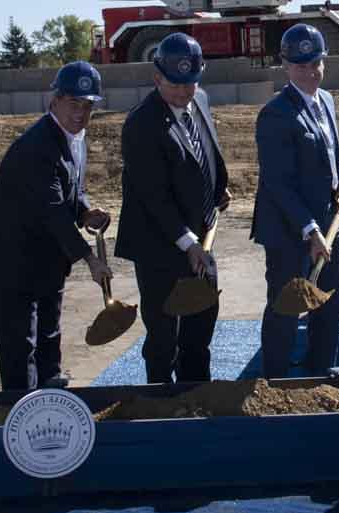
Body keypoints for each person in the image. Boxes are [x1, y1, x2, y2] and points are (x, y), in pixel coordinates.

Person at [0, 61, 114, 390]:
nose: (81, 113)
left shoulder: (73, 137)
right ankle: (22, 416)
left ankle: (53, 396)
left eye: (88, 105)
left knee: (49, 334)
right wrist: (90, 259)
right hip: (11, 257)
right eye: (73, 104)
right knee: (20, 348)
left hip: (46, 255)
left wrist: (85, 211)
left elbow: (68, 191)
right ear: (55, 101)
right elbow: (51, 209)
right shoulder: (37, 146)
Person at [117, 33, 232, 383]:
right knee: (164, 337)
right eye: (175, 84)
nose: (184, 92)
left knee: (199, 331)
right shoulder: (142, 124)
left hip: (201, 242)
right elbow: (153, 196)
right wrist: (188, 243)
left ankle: (196, 395)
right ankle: (160, 403)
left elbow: (206, 153)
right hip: (159, 247)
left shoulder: (201, 101)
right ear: (156, 78)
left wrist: (218, 189)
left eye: (190, 83)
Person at [252, 24, 339, 379]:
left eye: (316, 64)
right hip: (290, 231)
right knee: (286, 308)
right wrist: (309, 230)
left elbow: (331, 156)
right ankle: (275, 383)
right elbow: (277, 184)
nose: (311, 72)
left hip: (330, 224)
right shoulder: (276, 113)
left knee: (329, 306)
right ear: (285, 65)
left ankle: (320, 374)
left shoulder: (326, 101)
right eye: (302, 66)